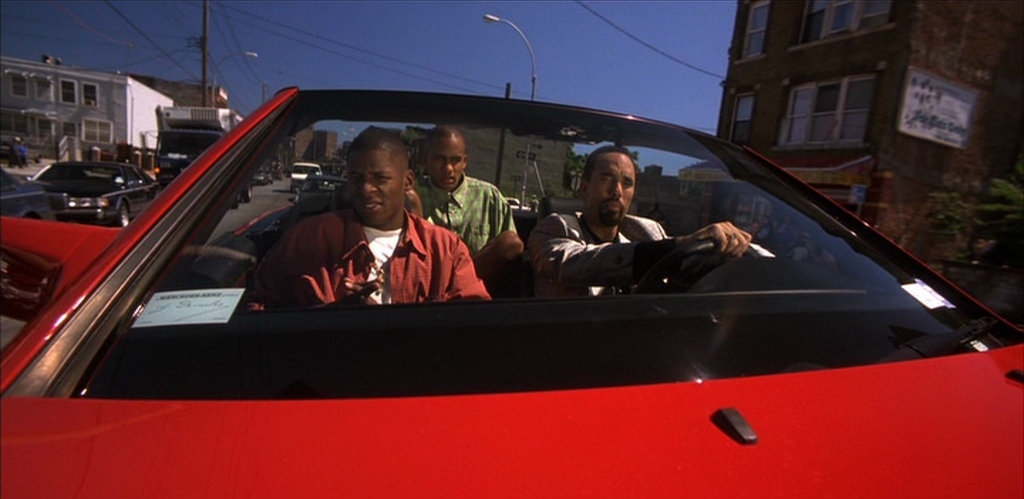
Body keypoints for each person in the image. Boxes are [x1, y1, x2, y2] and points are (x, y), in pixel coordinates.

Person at [251, 127, 490, 308]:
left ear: (408, 181)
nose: (365, 189)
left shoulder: (445, 250)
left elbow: (473, 326)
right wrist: (330, 321)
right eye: (356, 178)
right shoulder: (309, 239)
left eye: (379, 178)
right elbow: (258, 307)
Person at [527, 145, 751, 297]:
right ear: (584, 188)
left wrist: (728, 245)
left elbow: (683, 258)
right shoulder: (554, 228)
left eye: (627, 183)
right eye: (607, 179)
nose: (617, 191)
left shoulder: (646, 230)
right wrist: (679, 245)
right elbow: (577, 264)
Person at [409, 125, 523, 293]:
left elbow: (509, 256)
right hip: (424, 291)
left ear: (465, 162)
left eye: (455, 160)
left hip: (477, 296)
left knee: (510, 241)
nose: (448, 168)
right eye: (439, 159)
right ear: (426, 160)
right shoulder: (412, 195)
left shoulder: (489, 197)